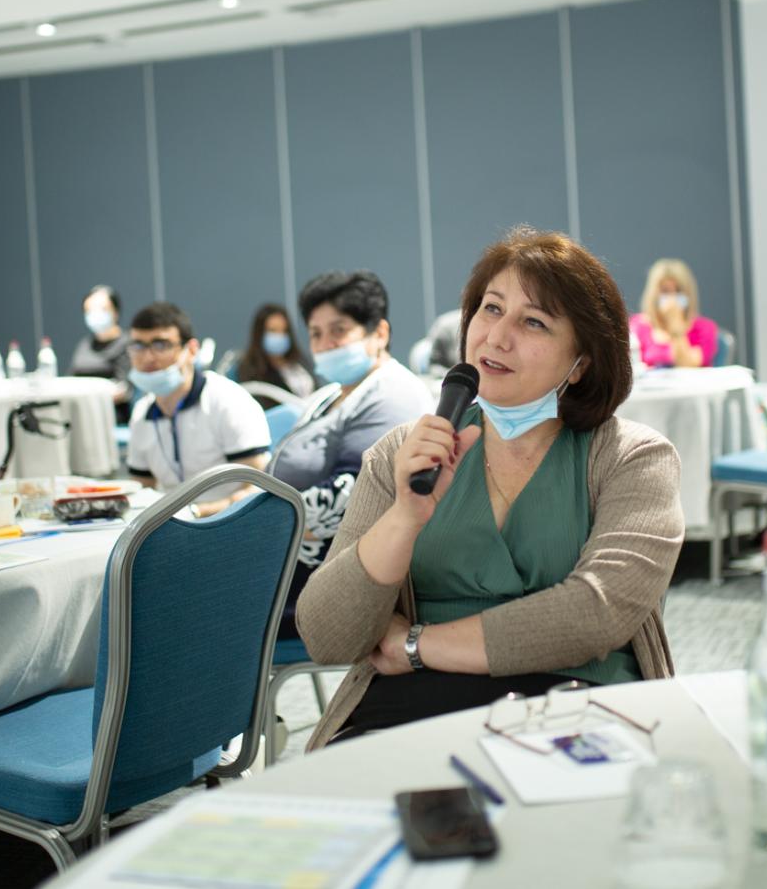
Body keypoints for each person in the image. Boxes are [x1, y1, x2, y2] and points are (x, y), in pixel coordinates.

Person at [296, 228, 683, 750]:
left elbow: (595, 614)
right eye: (491, 309)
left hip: (578, 705)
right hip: (413, 713)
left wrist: (415, 645)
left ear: (582, 362)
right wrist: (405, 517)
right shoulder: (401, 455)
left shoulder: (631, 458)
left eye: (534, 322)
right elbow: (327, 635)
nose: (497, 337)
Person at [270, 272, 434, 638]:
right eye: (315, 333)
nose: (325, 343)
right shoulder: (330, 395)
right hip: (287, 558)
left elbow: (351, 495)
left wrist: (252, 523)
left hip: (327, 578)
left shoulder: (393, 395)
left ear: (380, 333)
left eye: (339, 330)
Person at [124, 301, 271, 517]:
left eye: (160, 345)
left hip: (233, 522)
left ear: (191, 350)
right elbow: (142, 488)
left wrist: (196, 513)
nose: (147, 357)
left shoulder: (227, 400)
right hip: (172, 525)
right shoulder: (141, 414)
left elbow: (259, 488)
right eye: (138, 346)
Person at [629, 258, 718, 368]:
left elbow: (688, 366)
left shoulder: (704, 328)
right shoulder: (638, 326)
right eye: (665, 291)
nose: (672, 298)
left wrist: (676, 326)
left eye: (678, 291)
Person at [70, 285, 132, 423]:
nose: (95, 315)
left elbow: (124, 389)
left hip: (110, 416)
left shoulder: (126, 343)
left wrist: (91, 398)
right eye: (89, 311)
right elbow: (72, 378)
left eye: (102, 309)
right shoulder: (85, 344)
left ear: (115, 312)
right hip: (81, 414)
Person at [234, 303, 316, 402]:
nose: (279, 336)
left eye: (284, 331)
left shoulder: (299, 362)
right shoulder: (249, 371)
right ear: (259, 334)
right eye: (273, 331)